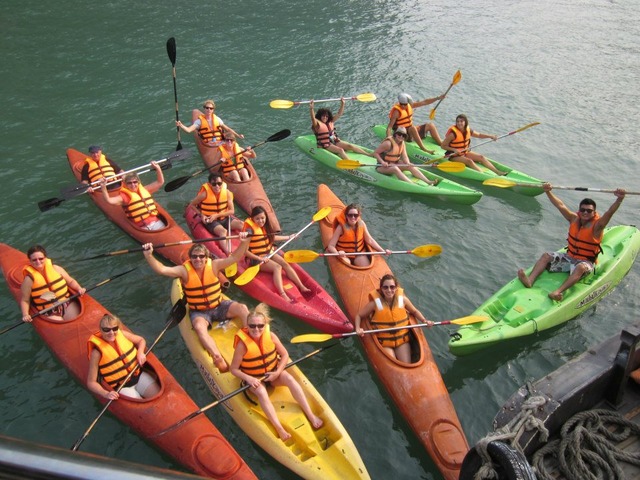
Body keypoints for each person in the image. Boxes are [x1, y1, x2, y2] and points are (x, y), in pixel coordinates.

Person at [142, 239, 250, 372]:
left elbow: (234, 258)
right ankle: (217, 357)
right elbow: (162, 269)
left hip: (219, 305)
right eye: (194, 256)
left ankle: (250, 337)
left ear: (206, 258)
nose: (197, 259)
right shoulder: (183, 271)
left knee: (243, 308)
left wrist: (244, 241)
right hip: (200, 312)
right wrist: (149, 255)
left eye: (201, 256)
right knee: (199, 328)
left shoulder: (215, 265)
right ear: (190, 258)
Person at [230, 303, 323, 441]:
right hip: (255, 380)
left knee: (290, 379)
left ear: (265, 325)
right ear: (247, 326)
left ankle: (310, 415)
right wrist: (249, 379)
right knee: (261, 392)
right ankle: (279, 428)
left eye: (260, 326)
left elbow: (285, 355)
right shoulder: (242, 346)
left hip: (272, 374)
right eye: (252, 326)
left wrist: (277, 372)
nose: (256, 329)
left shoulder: (271, 336)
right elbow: (234, 369)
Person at [517, 184, 626, 301]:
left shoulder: (598, 226)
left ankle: (557, 292)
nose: (585, 213)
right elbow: (560, 205)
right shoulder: (573, 219)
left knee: (580, 267)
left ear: (594, 213)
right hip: (569, 258)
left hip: (585, 263)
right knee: (545, 256)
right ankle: (530, 280)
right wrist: (548, 191)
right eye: (583, 210)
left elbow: (609, 212)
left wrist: (619, 199)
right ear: (579, 211)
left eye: (589, 211)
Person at [354, 274, 433, 363]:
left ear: (396, 288)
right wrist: (357, 328)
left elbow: (414, 311)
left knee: (406, 364)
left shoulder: (403, 300)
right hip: (385, 342)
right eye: (385, 287)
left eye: (392, 287)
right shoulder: (375, 304)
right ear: (381, 289)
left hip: (402, 340)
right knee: (392, 361)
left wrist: (424, 320)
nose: (389, 290)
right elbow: (359, 316)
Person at [242, 206, 312, 302]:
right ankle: (282, 294)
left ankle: (301, 286)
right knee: (277, 267)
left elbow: (272, 238)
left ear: (265, 217)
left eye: (262, 218)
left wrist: (288, 237)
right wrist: (260, 259)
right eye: (257, 218)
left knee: (285, 264)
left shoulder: (265, 227)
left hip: (268, 253)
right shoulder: (249, 231)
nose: (260, 221)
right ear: (252, 219)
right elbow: (245, 251)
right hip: (257, 259)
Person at [86, 313, 160, 400]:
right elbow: (91, 383)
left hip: (138, 376)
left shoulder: (123, 334)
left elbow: (141, 340)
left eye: (114, 328)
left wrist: (140, 352)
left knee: (158, 396)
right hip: (122, 388)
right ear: (101, 330)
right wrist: (106, 394)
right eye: (106, 330)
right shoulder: (96, 353)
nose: (111, 333)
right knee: (142, 405)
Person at [20, 245, 85, 323]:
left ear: (45, 258)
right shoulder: (29, 279)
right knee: (62, 326)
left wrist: (79, 288)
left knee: (77, 321)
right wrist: (25, 314)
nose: (38, 262)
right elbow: (25, 300)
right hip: (48, 310)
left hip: (66, 303)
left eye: (41, 258)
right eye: (34, 260)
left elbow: (70, 281)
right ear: (30, 261)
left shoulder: (56, 268)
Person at [100, 161, 166, 231]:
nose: (133, 185)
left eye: (135, 182)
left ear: (138, 182)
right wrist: (103, 187)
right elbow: (109, 200)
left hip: (157, 222)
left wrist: (158, 168)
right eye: (129, 183)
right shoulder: (125, 197)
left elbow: (160, 182)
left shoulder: (145, 189)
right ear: (125, 184)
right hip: (143, 228)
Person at [188, 172, 244, 254]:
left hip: (224, 218)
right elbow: (192, 205)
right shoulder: (204, 194)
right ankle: (229, 253)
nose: (217, 186)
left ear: (222, 183)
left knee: (242, 224)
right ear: (210, 184)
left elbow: (232, 211)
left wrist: (217, 215)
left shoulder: (227, 193)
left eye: (219, 183)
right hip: (211, 220)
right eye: (214, 184)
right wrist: (202, 215)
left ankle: (253, 244)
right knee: (223, 231)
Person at [326, 203, 391, 267]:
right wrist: (338, 254)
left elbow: (370, 240)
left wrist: (383, 251)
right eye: (350, 215)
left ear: (359, 215)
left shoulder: (361, 224)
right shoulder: (340, 228)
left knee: (366, 265)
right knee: (346, 265)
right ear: (346, 216)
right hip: (344, 255)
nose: (353, 217)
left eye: (355, 215)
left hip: (358, 254)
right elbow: (331, 246)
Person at [440, 114, 506, 175]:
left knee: (481, 157)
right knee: (470, 161)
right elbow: (443, 146)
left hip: (464, 153)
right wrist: (454, 149)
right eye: (457, 121)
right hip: (453, 156)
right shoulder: (453, 134)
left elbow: (479, 135)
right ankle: (483, 174)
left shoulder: (468, 130)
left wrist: (490, 136)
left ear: (465, 122)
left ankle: (498, 172)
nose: (459, 123)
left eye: (461, 121)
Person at [373, 126, 439, 185]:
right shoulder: (388, 144)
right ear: (395, 134)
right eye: (399, 134)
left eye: (403, 135)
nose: (401, 136)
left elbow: (404, 156)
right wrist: (382, 162)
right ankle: (412, 184)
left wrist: (407, 163)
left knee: (410, 166)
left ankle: (428, 181)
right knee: (395, 169)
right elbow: (375, 153)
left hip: (394, 163)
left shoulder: (402, 143)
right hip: (382, 167)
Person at [176, 99, 243, 146]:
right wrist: (181, 125)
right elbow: (189, 130)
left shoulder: (217, 119)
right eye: (207, 108)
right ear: (204, 108)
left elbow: (228, 129)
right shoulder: (199, 121)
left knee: (235, 144)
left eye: (211, 108)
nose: (209, 110)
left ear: (213, 110)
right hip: (209, 144)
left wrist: (238, 135)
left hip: (220, 142)